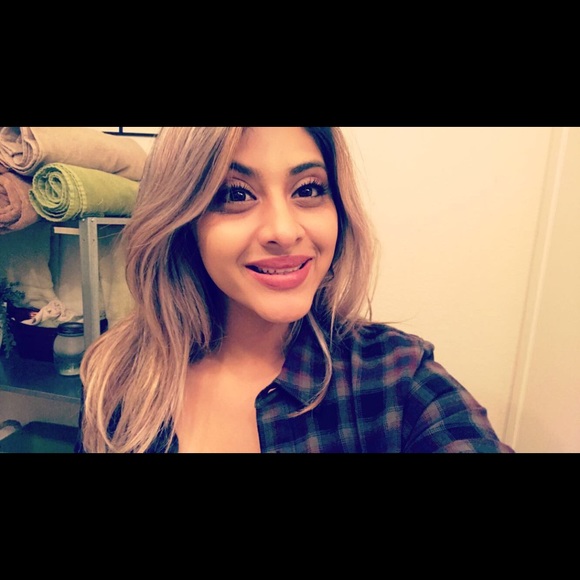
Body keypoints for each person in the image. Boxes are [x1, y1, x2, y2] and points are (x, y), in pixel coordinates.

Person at [76, 127, 515, 453]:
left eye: (308, 189)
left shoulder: (397, 379)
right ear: (184, 221)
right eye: (236, 194)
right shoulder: (117, 378)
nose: (284, 231)